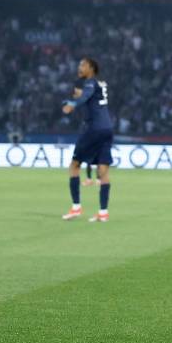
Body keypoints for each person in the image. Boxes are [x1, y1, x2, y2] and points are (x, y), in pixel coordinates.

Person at [60, 57, 113, 222]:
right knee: (103, 171)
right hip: (107, 128)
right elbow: (89, 96)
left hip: (94, 129)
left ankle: (76, 208)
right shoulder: (100, 84)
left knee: (74, 165)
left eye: (82, 65)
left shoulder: (90, 83)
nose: (79, 67)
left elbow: (86, 95)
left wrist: (71, 103)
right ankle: (103, 212)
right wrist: (79, 96)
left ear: (91, 68)